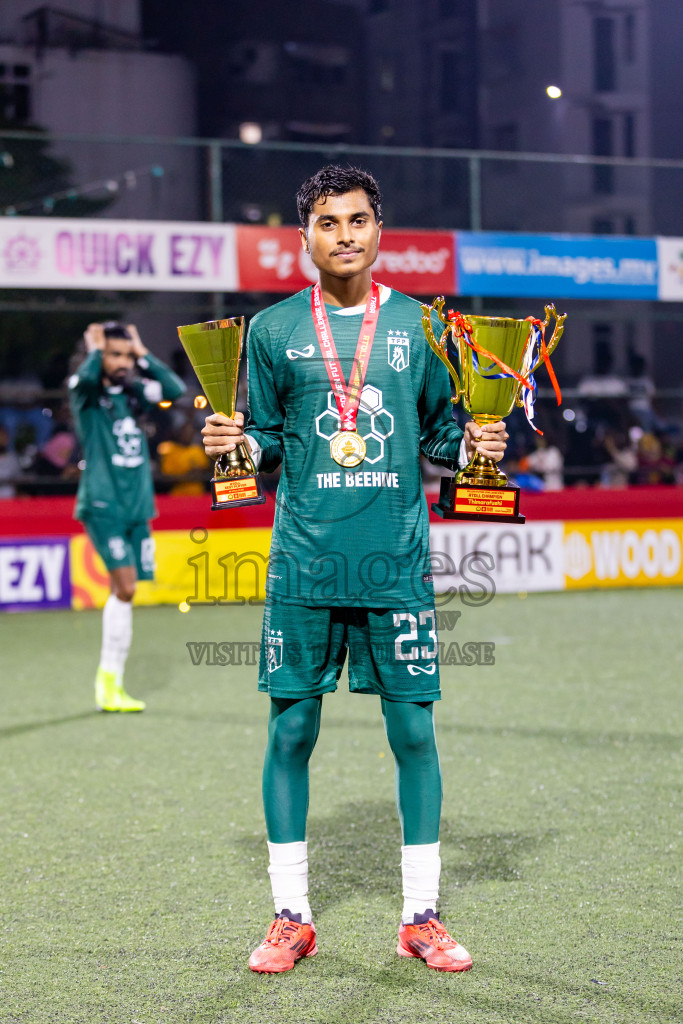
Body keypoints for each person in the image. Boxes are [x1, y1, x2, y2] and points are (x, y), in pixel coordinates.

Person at [202, 166, 508, 973]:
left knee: (413, 731)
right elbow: (265, 442)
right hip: (302, 565)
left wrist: (472, 446)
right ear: (302, 235)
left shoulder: (422, 327)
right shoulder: (269, 332)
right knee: (291, 729)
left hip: (394, 566)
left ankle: (420, 916)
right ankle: (291, 915)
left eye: (358, 220)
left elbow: (441, 436)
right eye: (328, 221)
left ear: (381, 230)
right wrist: (236, 445)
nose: (344, 234)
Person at [68, 321, 185, 712]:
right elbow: (85, 377)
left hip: (138, 508)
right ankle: (108, 681)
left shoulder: (135, 393)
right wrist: (95, 350)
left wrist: (141, 350)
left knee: (128, 592)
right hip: (103, 504)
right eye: (112, 354)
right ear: (98, 356)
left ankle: (112, 685)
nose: (120, 362)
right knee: (126, 588)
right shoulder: (84, 392)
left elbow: (174, 390)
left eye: (124, 355)